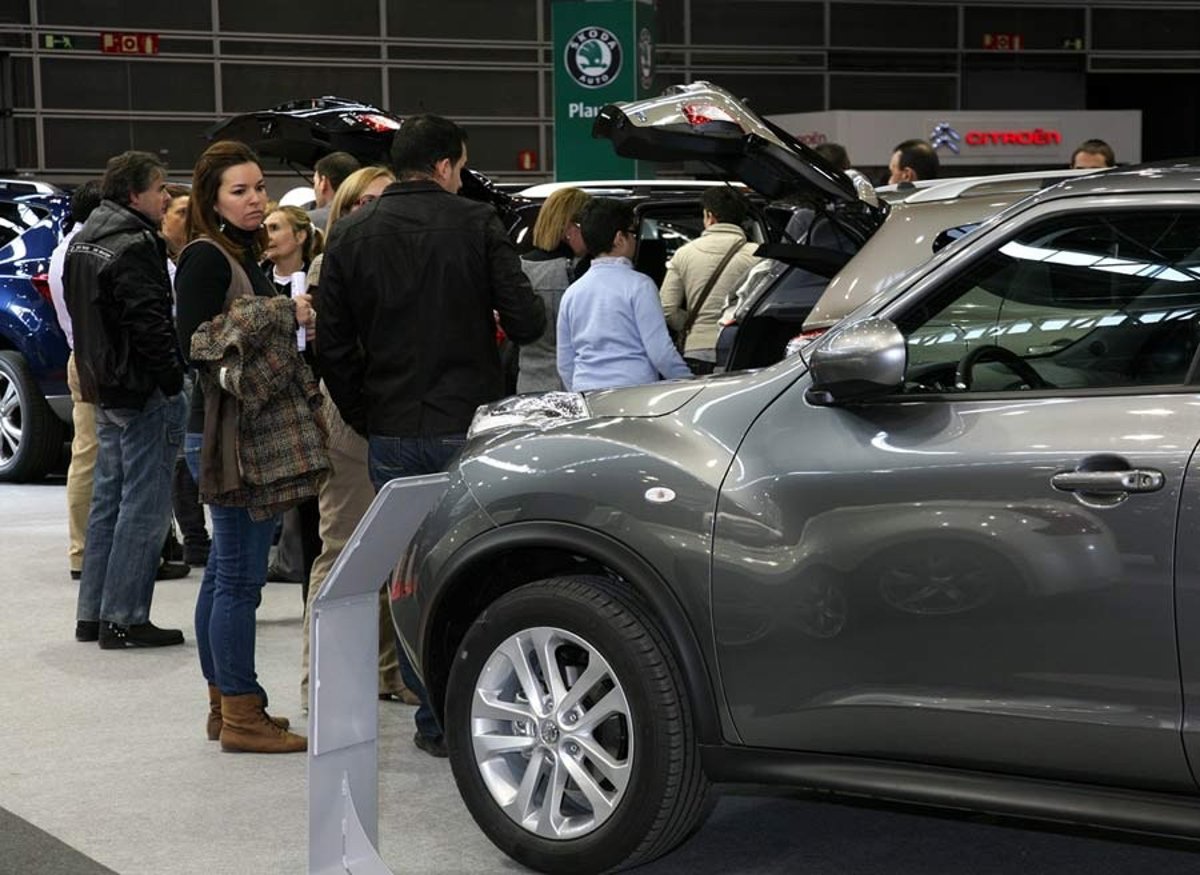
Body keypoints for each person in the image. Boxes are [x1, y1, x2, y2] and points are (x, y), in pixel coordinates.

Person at [318, 114, 545, 757]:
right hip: (467, 426)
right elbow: (527, 322)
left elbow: (332, 346)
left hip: (390, 426)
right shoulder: (477, 222)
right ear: (446, 165)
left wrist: (365, 414)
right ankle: (477, 709)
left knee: (406, 574)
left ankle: (432, 717)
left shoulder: (351, 231)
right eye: (461, 167)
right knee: (477, 563)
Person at [175, 139, 321, 754]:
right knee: (238, 579)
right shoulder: (207, 258)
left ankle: (228, 706)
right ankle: (240, 711)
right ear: (212, 199)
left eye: (259, 187)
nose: (256, 198)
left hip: (229, 433)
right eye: (240, 190)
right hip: (226, 436)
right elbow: (195, 345)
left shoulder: (237, 252)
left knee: (225, 576)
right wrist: (282, 313)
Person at [299, 165, 417, 708]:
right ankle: (322, 683)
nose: (376, 212)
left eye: (385, 201)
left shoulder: (404, 258)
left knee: (396, 552)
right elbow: (333, 349)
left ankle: (389, 673)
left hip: (396, 413)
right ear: (343, 210)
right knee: (343, 549)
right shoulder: (331, 262)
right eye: (365, 202)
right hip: (350, 416)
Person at [64, 151, 189, 649]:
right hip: (140, 390)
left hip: (103, 387)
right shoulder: (136, 243)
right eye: (160, 188)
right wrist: (173, 380)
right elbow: (148, 322)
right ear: (135, 194)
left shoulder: (84, 239)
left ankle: (94, 614)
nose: (166, 197)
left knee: (108, 502)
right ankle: (125, 617)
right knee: (145, 506)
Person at [558, 198, 691, 391]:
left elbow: (565, 361)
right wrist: (690, 383)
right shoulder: (640, 285)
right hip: (634, 392)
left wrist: (579, 393)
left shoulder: (572, 293)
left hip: (586, 392)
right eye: (633, 233)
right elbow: (660, 352)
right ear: (619, 238)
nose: (635, 240)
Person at [260, 204, 324, 596]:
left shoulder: (316, 283)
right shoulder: (257, 280)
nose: (267, 235)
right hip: (266, 402)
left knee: (311, 508)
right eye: (264, 227)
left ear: (299, 236)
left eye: (275, 227)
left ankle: (309, 594)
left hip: (308, 400)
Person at [49, 179, 103, 582]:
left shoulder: (62, 250)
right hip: (95, 358)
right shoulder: (89, 250)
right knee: (92, 456)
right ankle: (84, 552)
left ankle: (82, 551)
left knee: (88, 455)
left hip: (80, 355)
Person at [659, 186, 760, 374]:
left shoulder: (684, 253)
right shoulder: (758, 255)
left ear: (709, 216)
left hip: (697, 349)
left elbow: (667, 309)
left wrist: (692, 324)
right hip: (740, 348)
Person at [517, 186, 591, 393]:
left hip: (529, 385)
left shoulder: (518, 268)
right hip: (576, 387)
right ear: (571, 227)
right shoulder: (584, 271)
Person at [308, 151, 361, 231]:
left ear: (323, 183)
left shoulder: (307, 222)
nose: (314, 188)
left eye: (315, 182)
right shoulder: (368, 218)